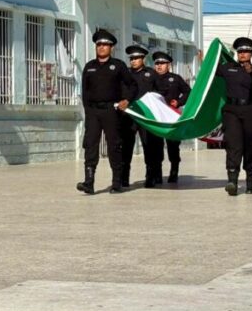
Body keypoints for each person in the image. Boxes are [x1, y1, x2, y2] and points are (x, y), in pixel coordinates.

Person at [76, 29, 137, 195]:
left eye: (105, 45)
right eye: (99, 45)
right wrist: (88, 112)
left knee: (114, 146)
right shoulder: (89, 67)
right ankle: (89, 182)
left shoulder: (118, 65)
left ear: (111, 47)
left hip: (111, 111)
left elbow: (132, 85)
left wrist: (127, 100)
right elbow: (85, 92)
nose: (101, 47)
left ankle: (117, 183)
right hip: (93, 112)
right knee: (90, 145)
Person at [215, 37, 252, 196]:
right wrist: (206, 59)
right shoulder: (228, 68)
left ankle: (250, 181)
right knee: (233, 145)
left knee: (251, 146)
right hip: (232, 111)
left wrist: (250, 71)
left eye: (246, 51)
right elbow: (211, 71)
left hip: (251, 111)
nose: (243, 54)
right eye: (240, 51)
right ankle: (232, 181)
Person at [119, 44, 162, 188]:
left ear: (143, 59)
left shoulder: (151, 73)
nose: (133, 61)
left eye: (136, 58)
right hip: (129, 116)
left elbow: (160, 93)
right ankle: (124, 178)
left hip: (145, 116)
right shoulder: (125, 74)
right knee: (126, 147)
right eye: (131, 58)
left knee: (149, 146)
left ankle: (150, 177)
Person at [152, 50, 190, 184]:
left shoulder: (176, 78)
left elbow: (188, 92)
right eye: (157, 63)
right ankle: (157, 173)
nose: (159, 66)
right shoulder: (151, 78)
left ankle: (174, 171)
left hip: (171, 115)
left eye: (162, 63)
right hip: (155, 116)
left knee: (173, 145)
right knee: (155, 145)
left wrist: (179, 102)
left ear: (168, 65)